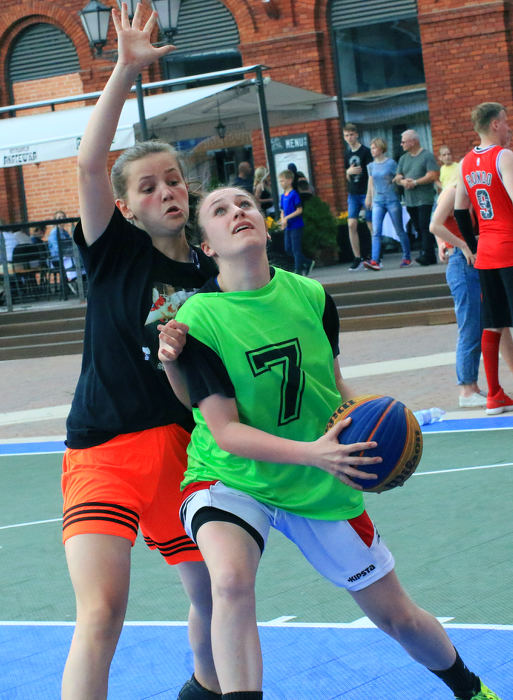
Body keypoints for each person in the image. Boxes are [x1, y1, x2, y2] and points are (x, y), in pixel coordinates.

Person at [157, 185, 502, 700]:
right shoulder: (199, 318)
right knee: (229, 581)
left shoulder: (312, 296)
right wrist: (315, 452)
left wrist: (374, 429)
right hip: (230, 475)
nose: (237, 212)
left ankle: (471, 689)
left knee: (398, 616)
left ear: (266, 224)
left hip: (319, 477)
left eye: (246, 204)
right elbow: (224, 431)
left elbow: (333, 387)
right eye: (219, 210)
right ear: (206, 246)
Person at [60, 5, 220, 699]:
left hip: (185, 453)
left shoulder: (212, 277)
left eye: (173, 180)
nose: (166, 191)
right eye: (148, 186)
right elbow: (88, 163)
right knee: (101, 613)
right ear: (126, 207)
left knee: (217, 591)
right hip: (105, 450)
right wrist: (125, 67)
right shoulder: (114, 253)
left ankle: (207, 688)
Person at [455, 101, 513, 415]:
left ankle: (494, 395)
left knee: (493, 323)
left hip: (487, 252)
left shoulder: (465, 163)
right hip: (509, 247)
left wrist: (473, 246)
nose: (509, 127)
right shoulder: (504, 156)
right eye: (506, 121)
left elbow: (459, 210)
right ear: (494, 124)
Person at [429, 183, 487, 407]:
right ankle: (466, 389)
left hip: (467, 262)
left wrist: (444, 244)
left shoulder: (466, 194)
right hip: (462, 263)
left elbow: (439, 223)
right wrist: (462, 245)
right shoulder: (453, 192)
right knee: (469, 327)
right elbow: (435, 225)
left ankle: (471, 386)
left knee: (475, 326)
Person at [364, 137, 411, 270]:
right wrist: (369, 197)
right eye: (371, 148)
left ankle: (407, 257)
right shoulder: (371, 166)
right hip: (378, 200)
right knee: (376, 231)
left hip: (392, 200)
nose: (372, 150)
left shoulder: (391, 163)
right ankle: (375, 260)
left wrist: (399, 180)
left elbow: (398, 175)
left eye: (374, 148)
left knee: (399, 229)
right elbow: (371, 182)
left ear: (381, 148)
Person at [394, 129, 439, 266]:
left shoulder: (427, 156)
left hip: (424, 198)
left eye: (403, 142)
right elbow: (397, 177)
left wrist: (415, 182)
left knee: (425, 226)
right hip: (410, 200)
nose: (401, 144)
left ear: (413, 142)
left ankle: (426, 254)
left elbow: (432, 175)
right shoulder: (403, 158)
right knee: (418, 227)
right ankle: (429, 255)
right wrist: (403, 182)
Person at [343, 123, 373, 270]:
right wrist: (348, 172)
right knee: (351, 224)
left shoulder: (365, 152)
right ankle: (357, 257)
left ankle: (374, 255)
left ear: (356, 135)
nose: (349, 138)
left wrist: (369, 195)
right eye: (346, 135)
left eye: (351, 135)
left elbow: (371, 174)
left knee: (370, 224)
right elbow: (347, 175)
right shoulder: (347, 154)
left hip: (365, 191)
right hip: (353, 193)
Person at [279, 169, 314, 276]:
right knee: (288, 249)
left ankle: (298, 270)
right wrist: (283, 220)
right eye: (280, 181)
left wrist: (287, 218)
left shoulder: (294, 194)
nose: (281, 183)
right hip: (288, 226)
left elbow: (299, 210)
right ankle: (308, 262)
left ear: (290, 180)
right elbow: (282, 210)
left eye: (283, 181)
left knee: (296, 249)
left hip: (296, 225)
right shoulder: (283, 196)